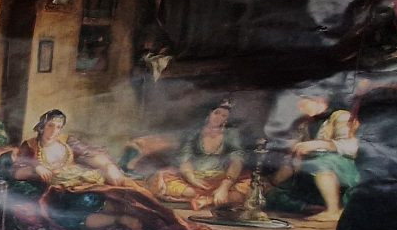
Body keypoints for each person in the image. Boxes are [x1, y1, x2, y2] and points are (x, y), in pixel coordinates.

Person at [9, 109, 218, 230]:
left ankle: (144, 218)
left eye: (58, 127)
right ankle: (121, 219)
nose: (54, 131)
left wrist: (108, 166)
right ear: (42, 126)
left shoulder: (67, 141)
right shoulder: (31, 146)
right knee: (87, 202)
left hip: (83, 181)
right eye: (50, 126)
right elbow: (17, 172)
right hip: (59, 191)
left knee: (127, 193)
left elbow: (92, 155)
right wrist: (36, 168)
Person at [270, 93, 360, 222]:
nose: (300, 107)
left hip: (347, 172)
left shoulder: (341, 116)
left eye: (303, 102)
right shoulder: (305, 124)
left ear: (320, 101)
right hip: (314, 174)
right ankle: (308, 207)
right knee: (274, 192)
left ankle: (333, 210)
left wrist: (321, 144)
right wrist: (273, 182)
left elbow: (353, 147)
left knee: (319, 163)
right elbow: (293, 159)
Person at [146, 101, 250, 210]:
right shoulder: (195, 132)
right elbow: (184, 158)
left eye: (224, 116)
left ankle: (208, 200)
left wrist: (224, 186)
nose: (219, 117)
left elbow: (237, 159)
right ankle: (207, 198)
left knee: (246, 187)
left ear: (226, 119)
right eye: (216, 113)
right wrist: (192, 178)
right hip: (194, 179)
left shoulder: (231, 134)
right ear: (209, 113)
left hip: (221, 179)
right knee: (162, 181)